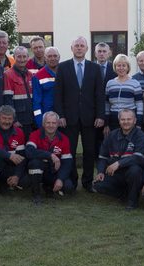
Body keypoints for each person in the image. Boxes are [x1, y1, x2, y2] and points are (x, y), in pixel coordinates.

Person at [53, 36, 106, 191]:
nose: (79, 48)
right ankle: (72, 181)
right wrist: (60, 115)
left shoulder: (95, 68)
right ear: (72, 48)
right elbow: (58, 94)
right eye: (76, 45)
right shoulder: (63, 67)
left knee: (89, 151)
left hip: (90, 117)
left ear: (87, 49)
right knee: (69, 151)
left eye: (82, 45)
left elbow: (99, 94)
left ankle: (88, 182)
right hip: (69, 118)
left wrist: (100, 115)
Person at [93, 109, 144, 210]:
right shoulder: (111, 135)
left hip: (131, 172)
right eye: (123, 119)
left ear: (135, 121)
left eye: (129, 119)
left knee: (135, 170)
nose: (126, 122)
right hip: (115, 173)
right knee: (98, 185)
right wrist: (100, 172)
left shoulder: (141, 136)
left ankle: (133, 201)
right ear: (119, 121)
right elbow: (102, 157)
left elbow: (139, 158)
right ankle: (124, 194)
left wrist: (118, 163)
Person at [23, 111, 75, 203]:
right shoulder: (35, 134)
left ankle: (49, 188)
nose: (51, 125)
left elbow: (67, 163)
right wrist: (50, 155)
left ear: (58, 124)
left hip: (54, 172)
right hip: (39, 170)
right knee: (34, 163)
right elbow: (29, 152)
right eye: (48, 123)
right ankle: (36, 194)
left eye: (54, 123)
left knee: (68, 187)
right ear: (43, 124)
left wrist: (60, 179)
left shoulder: (64, 139)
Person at [104, 54, 144, 130]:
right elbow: (107, 104)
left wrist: (138, 123)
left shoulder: (135, 83)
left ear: (128, 67)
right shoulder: (110, 83)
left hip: (129, 121)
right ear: (115, 67)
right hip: (113, 121)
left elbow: (139, 105)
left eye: (124, 65)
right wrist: (106, 124)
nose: (121, 68)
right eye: (118, 65)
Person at [3, 46, 36, 135]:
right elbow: (7, 100)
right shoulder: (8, 75)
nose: (22, 59)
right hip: (18, 119)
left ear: (28, 57)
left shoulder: (30, 75)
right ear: (14, 57)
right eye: (19, 57)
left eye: (24, 56)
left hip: (31, 118)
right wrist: (14, 120)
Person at [32, 46, 60, 128]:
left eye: (55, 56)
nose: (52, 58)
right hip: (47, 120)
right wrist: (40, 121)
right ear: (45, 58)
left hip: (63, 119)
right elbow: (36, 102)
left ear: (59, 57)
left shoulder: (65, 72)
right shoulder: (38, 76)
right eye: (49, 56)